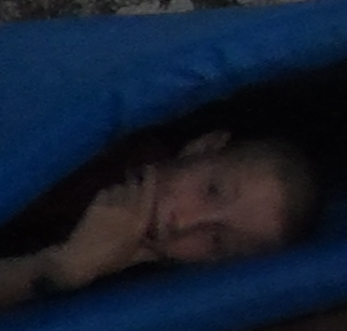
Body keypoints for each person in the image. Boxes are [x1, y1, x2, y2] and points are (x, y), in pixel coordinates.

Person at [0, 124, 317, 304]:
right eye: (211, 190)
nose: (184, 223)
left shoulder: (131, 290)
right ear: (203, 147)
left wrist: (62, 269)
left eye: (217, 241)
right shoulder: (97, 147)